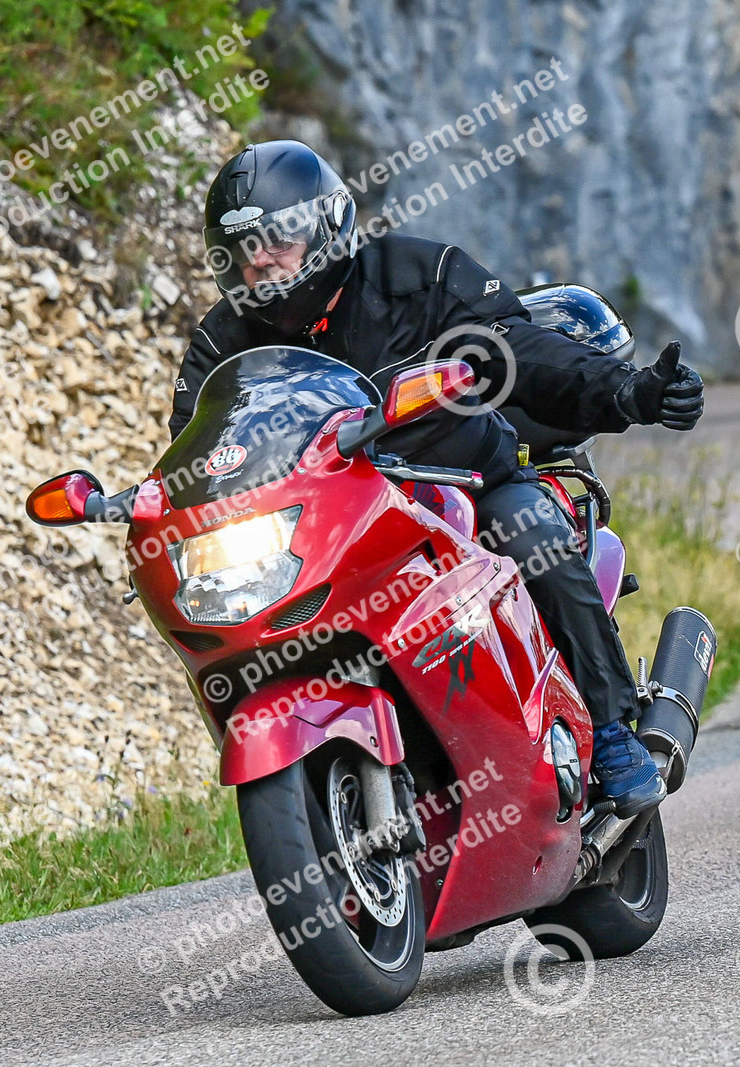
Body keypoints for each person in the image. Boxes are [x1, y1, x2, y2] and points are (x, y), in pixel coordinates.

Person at [168, 140, 705, 816]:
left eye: (278, 239)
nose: (262, 262)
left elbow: (519, 348)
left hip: (466, 485)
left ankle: (611, 730)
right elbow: (198, 446)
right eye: (242, 250)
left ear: (327, 224)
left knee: (532, 533)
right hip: (330, 524)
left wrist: (628, 390)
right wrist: (161, 499)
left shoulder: (420, 277)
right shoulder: (222, 343)